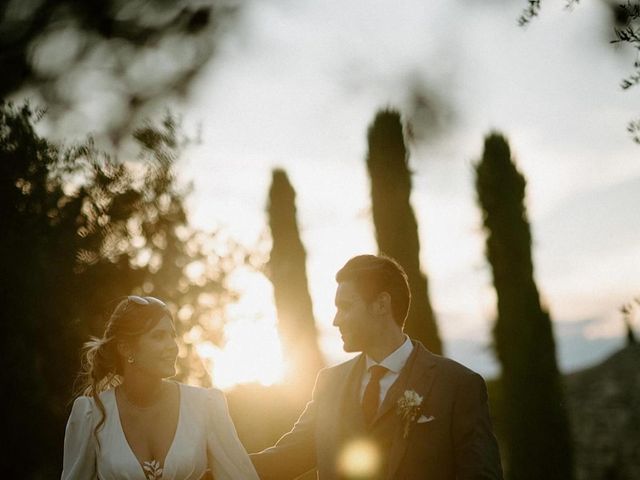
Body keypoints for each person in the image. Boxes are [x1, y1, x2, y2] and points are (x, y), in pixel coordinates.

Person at [251, 254, 503, 479]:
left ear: (382, 305)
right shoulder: (329, 384)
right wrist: (213, 460)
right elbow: (283, 459)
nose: (336, 320)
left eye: (346, 307)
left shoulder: (457, 384)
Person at [61, 295, 259, 480]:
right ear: (126, 348)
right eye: (158, 336)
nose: (172, 346)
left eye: (172, 336)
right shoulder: (91, 414)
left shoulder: (205, 406)